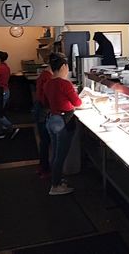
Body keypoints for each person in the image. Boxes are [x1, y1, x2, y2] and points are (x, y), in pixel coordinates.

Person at [43, 53, 82, 195]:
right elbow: (77, 102)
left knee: (55, 153)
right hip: (62, 122)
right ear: (63, 67)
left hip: (52, 120)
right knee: (60, 155)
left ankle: (57, 179)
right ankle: (56, 186)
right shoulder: (64, 83)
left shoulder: (48, 83)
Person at [33, 57, 55, 179]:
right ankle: (45, 169)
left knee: (44, 141)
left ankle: (43, 167)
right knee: (46, 141)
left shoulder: (44, 75)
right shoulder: (48, 77)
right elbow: (46, 98)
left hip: (39, 109)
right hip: (43, 111)